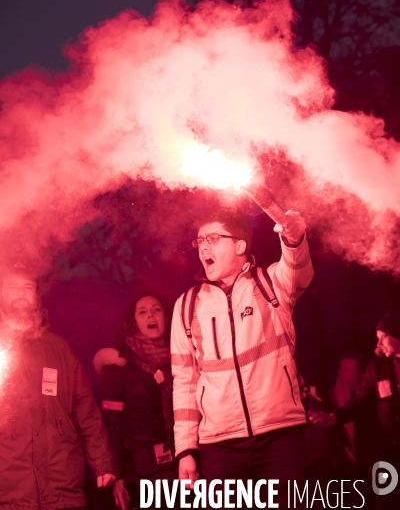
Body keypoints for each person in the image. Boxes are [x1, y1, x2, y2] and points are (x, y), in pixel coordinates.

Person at [170, 205, 314, 507]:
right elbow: (184, 382)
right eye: (200, 241)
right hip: (219, 448)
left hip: (279, 438)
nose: (203, 247)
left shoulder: (270, 283)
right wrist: (185, 449)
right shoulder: (187, 305)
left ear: (240, 245)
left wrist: (295, 239)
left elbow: (299, 270)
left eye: (213, 238)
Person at [0, 261, 116, 510]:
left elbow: (85, 409)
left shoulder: (59, 349)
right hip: (10, 492)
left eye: (28, 287)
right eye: (13, 286)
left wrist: (102, 461)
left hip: (62, 488)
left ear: (36, 295)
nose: (21, 293)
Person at [94, 294, 177, 510]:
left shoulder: (182, 357)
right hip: (142, 474)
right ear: (134, 322)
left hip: (181, 466)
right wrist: (118, 476)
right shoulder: (119, 366)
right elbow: (112, 424)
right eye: (142, 311)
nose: (150, 314)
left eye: (157, 309)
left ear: (166, 318)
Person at [312, 312, 400, 508]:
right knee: (385, 502)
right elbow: (360, 400)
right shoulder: (377, 367)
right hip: (386, 450)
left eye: (382, 338)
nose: (378, 345)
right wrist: (335, 417)